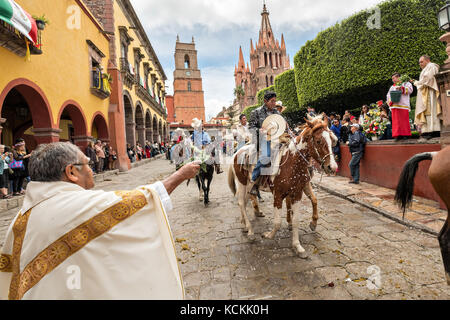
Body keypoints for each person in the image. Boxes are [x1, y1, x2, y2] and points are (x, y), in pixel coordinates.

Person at [0, 142, 201, 300]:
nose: (92, 169)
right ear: (71, 172)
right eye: (87, 163)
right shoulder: (78, 206)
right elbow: (142, 200)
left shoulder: (21, 218)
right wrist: (180, 175)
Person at [249, 91, 280, 195]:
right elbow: (251, 128)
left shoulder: (276, 112)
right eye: (272, 101)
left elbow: (282, 124)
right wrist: (259, 130)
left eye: (275, 101)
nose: (274, 103)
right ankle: (253, 182)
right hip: (263, 139)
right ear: (265, 101)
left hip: (276, 138)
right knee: (265, 157)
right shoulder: (256, 112)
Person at [412, 55, 442, 140]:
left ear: (427, 60)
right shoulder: (425, 69)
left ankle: (434, 130)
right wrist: (418, 83)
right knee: (426, 112)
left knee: (431, 111)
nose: (420, 64)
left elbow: (428, 78)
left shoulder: (432, 66)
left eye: (421, 62)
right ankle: (427, 130)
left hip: (430, 92)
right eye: (419, 62)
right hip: (424, 92)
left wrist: (418, 83)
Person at [387, 72, 413, 141]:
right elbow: (388, 95)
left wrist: (401, 88)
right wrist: (390, 101)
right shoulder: (392, 87)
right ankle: (397, 135)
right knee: (396, 122)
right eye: (392, 79)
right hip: (395, 105)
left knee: (404, 121)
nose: (393, 80)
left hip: (403, 105)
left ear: (398, 77)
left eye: (394, 78)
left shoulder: (406, 83)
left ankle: (405, 134)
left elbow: (410, 90)